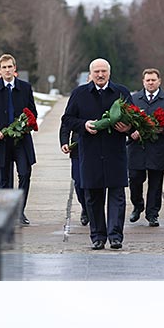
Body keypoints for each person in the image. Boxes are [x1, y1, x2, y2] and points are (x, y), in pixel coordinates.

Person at [61, 58, 132, 250]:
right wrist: (83, 125)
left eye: (104, 71)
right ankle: (98, 236)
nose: (100, 75)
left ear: (110, 72)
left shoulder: (121, 92)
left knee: (117, 195)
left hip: (115, 152)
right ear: (90, 74)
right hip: (90, 152)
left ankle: (115, 236)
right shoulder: (79, 94)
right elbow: (67, 119)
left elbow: (134, 117)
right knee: (93, 196)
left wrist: (127, 127)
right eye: (96, 72)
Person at [0, 53, 38, 220]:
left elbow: (32, 112)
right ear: (0, 70)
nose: (7, 70)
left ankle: (20, 210)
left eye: (10, 67)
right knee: (4, 179)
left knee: (25, 173)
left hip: (21, 140)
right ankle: (6, 212)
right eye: (4, 67)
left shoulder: (25, 87)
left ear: (15, 69)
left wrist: (24, 125)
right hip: (1, 141)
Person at [128, 68, 164, 227]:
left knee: (156, 182)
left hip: (158, 148)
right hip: (137, 147)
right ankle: (138, 205)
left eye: (153, 80)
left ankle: (152, 214)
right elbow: (126, 121)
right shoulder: (134, 99)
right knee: (135, 179)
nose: (150, 83)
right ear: (143, 82)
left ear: (159, 81)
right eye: (148, 80)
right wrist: (132, 132)